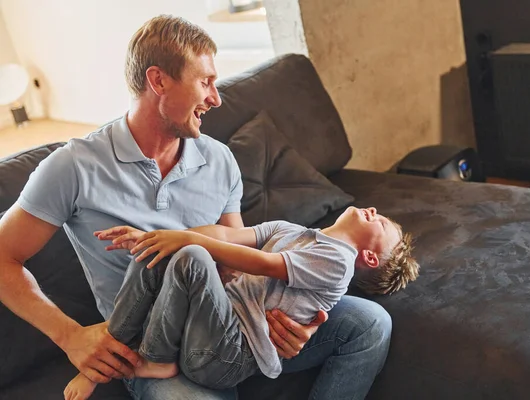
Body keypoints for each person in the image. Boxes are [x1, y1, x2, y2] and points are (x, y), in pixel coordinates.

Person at [0, 14, 395, 400]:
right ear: (158, 81)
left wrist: (296, 321)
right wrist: (70, 336)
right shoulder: (73, 167)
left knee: (370, 323)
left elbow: (236, 264)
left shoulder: (219, 159)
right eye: (205, 82)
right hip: (152, 345)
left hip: (231, 321)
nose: (216, 98)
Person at [64, 206, 420, 399]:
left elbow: (263, 263)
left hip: (232, 353)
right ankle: (108, 355)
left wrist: (182, 240)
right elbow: (228, 236)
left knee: (189, 254)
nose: (373, 209)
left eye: (382, 223)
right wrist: (155, 238)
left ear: (370, 259)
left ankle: (155, 360)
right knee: (155, 251)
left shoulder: (338, 261)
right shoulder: (293, 231)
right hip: (210, 330)